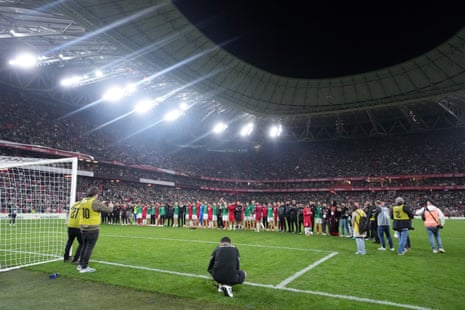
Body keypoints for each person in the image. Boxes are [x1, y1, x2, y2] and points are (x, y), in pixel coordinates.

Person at [77, 186, 114, 273]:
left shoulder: (83, 201)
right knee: (89, 248)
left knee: (84, 246)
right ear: (96, 194)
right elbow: (108, 210)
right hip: (92, 228)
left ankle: (81, 264)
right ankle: (84, 267)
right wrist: (111, 206)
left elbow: (91, 208)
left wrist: (100, 203)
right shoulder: (95, 202)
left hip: (83, 227)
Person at [64, 200, 83, 264]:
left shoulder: (75, 205)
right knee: (82, 243)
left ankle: (66, 258)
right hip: (77, 227)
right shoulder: (83, 206)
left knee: (69, 242)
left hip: (70, 226)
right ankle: (75, 259)